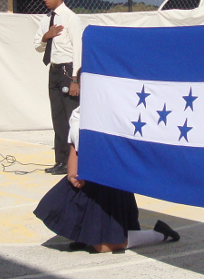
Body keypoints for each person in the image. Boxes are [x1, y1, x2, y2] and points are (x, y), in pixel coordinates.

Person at [34, 77, 180, 253]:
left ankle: (158, 233)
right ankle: (86, 235)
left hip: (109, 184)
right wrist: (72, 173)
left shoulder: (114, 114)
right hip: (85, 182)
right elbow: (74, 147)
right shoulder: (78, 115)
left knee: (106, 246)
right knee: (62, 212)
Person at [33, 0, 83, 176]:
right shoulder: (47, 19)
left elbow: (78, 49)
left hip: (67, 71)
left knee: (71, 117)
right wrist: (47, 35)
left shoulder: (71, 18)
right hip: (53, 71)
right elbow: (37, 45)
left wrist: (75, 78)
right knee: (57, 118)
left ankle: (74, 160)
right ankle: (60, 160)